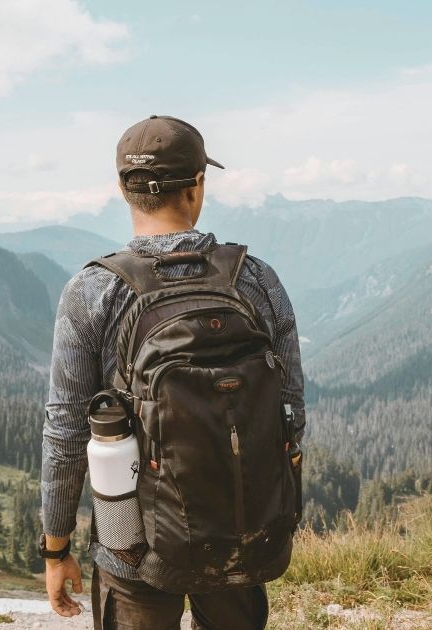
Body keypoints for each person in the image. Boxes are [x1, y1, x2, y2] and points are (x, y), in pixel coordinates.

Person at [39, 115, 306, 629]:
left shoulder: (94, 290)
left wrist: (56, 548)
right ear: (197, 183)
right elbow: (290, 408)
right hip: (241, 531)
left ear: (124, 188)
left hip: (133, 545)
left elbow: (66, 434)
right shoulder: (255, 279)